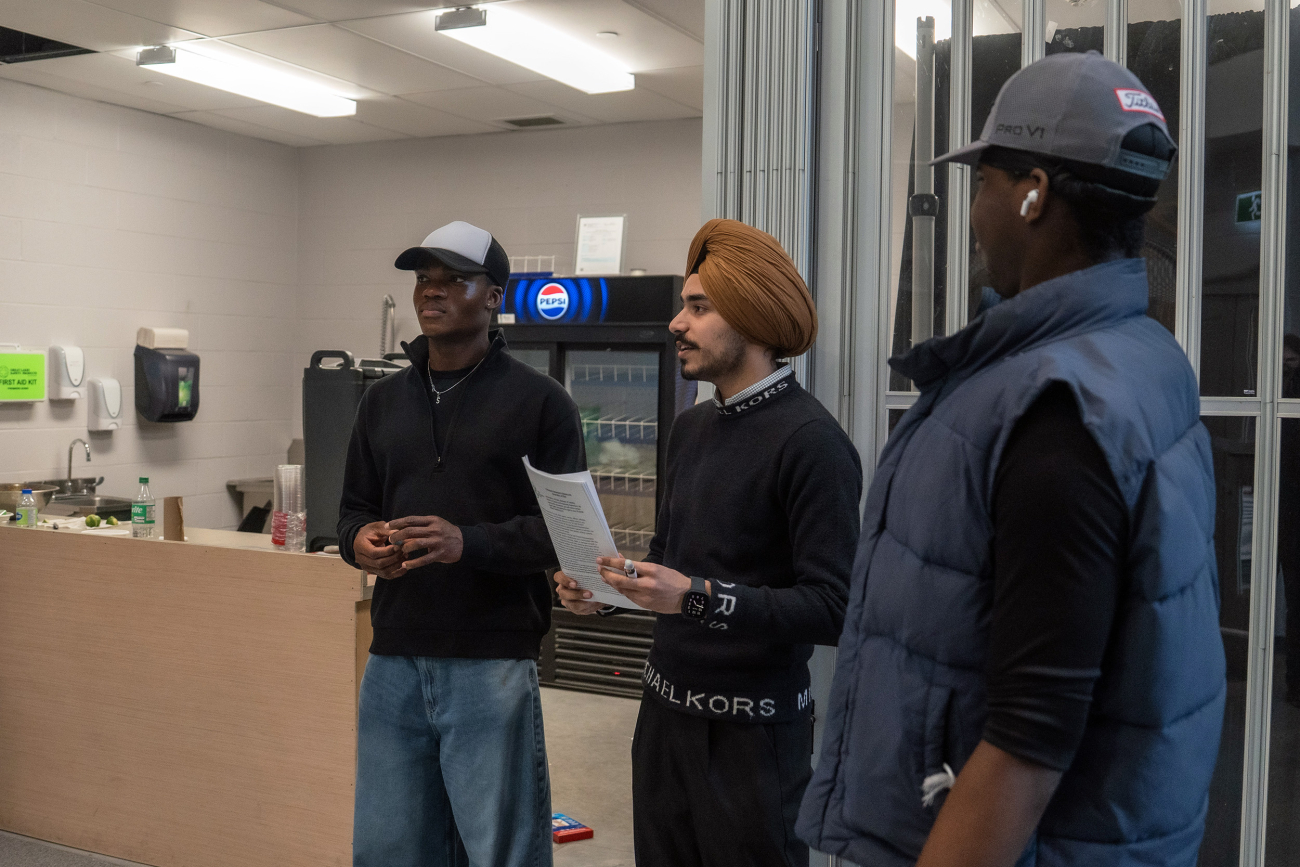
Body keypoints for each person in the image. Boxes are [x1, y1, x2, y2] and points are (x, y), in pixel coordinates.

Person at [799, 51, 1226, 867]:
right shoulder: (1143, 358)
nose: (976, 212)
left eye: (983, 182)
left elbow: (1031, 732)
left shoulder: (1056, 407)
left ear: (1033, 192)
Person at [555, 218, 863, 867]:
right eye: (683, 306)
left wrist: (695, 596)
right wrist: (609, 593)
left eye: (698, 308)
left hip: (753, 738)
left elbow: (834, 608)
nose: (677, 323)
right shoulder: (691, 429)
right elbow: (668, 563)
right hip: (662, 720)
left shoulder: (813, 443)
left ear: (753, 317)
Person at [338, 220, 584, 867]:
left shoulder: (542, 404)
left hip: (491, 660)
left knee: (501, 848)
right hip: (393, 657)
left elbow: (564, 535)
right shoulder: (380, 402)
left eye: (454, 279)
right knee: (388, 847)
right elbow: (352, 511)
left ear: (494, 295)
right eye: (425, 278)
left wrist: (465, 543)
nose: (432, 290)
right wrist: (360, 541)